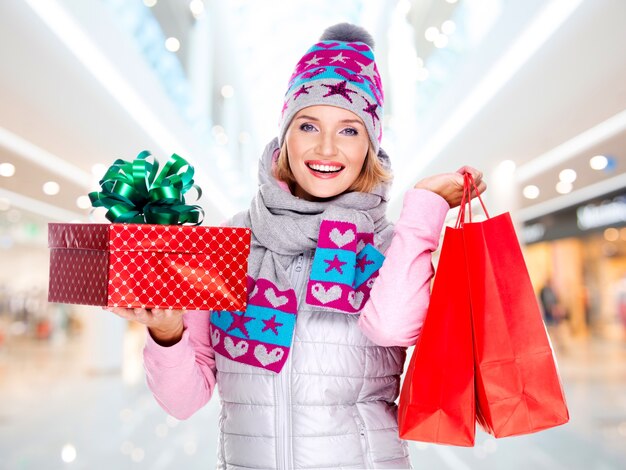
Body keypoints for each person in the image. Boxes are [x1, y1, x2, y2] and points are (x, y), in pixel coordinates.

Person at [110, 23, 486, 469]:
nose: (326, 147)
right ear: (284, 137)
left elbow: (393, 327)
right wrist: (168, 332)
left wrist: (423, 210)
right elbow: (183, 401)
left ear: (370, 146)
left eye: (350, 130)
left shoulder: (387, 242)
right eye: (308, 125)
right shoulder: (228, 245)